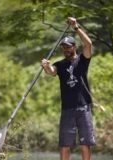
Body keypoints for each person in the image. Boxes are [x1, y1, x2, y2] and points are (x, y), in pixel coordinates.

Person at [41, 17, 95, 160]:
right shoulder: (60, 64)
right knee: (65, 144)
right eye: (64, 47)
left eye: (68, 46)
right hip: (67, 109)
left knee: (85, 144)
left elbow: (88, 44)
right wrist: (46, 66)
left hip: (83, 107)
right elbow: (52, 72)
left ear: (74, 47)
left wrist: (76, 27)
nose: (66, 49)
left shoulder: (83, 60)